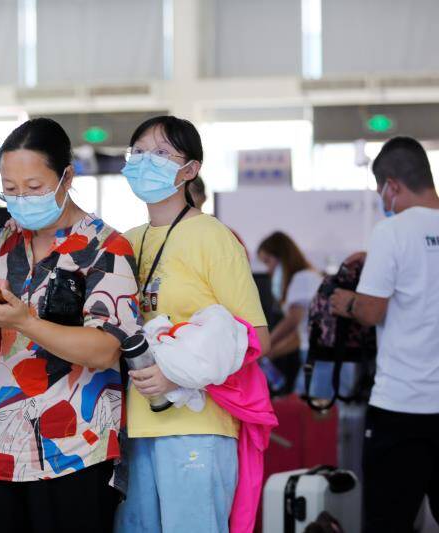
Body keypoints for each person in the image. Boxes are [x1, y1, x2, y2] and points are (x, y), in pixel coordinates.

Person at [0, 118, 141, 532]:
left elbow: (107, 349)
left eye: (34, 188)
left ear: (66, 177)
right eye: (11, 189)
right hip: (0, 450)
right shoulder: (4, 241)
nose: (21, 199)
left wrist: (26, 321)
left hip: (74, 448)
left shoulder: (105, 247)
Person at [115, 115, 271, 533]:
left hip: (197, 424)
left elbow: (256, 336)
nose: (147, 161)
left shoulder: (213, 237)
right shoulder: (124, 241)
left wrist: (176, 373)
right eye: (140, 152)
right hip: (134, 425)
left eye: (162, 153)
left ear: (190, 169)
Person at [328, 136, 439, 533]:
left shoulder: (391, 233)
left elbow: (373, 310)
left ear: (392, 186)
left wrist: (344, 301)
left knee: (387, 522)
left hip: (402, 406)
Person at [257, 231, 323, 395]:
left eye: (268, 261)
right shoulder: (307, 277)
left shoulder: (302, 278)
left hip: (318, 358)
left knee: (312, 410)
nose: (268, 270)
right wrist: (271, 353)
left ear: (281, 257)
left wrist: (264, 346)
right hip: (313, 355)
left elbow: (293, 321)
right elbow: (298, 336)